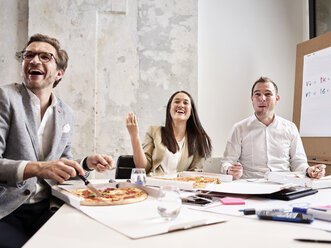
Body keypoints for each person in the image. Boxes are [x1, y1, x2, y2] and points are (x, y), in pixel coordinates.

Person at [0, 34, 115, 247]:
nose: (34, 60)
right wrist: (38, 168)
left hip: (49, 208)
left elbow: (61, 165)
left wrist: (85, 164)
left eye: (45, 56)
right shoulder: (5, 97)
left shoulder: (66, 113)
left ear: (59, 73)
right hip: (6, 209)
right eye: (29, 55)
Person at [220, 76, 326, 180]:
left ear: (277, 99)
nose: (262, 98)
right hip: (250, 186)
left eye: (268, 94)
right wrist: (230, 170)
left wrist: (309, 170)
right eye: (257, 94)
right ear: (252, 99)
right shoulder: (239, 128)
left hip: (284, 186)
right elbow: (227, 162)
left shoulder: (290, 128)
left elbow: (299, 163)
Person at [126, 91, 212, 176]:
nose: (181, 105)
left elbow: (196, 174)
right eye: (177, 102)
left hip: (181, 188)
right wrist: (134, 136)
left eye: (186, 103)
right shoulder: (154, 131)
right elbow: (142, 167)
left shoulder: (198, 140)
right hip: (153, 184)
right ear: (169, 108)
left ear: (191, 111)